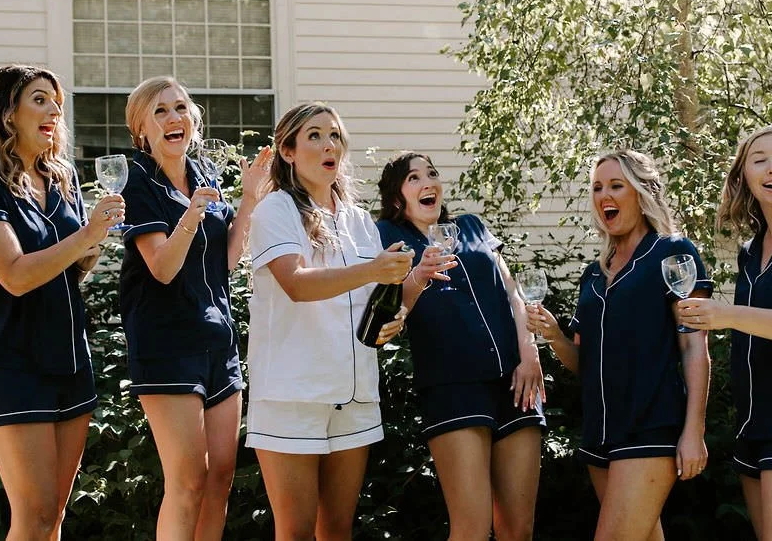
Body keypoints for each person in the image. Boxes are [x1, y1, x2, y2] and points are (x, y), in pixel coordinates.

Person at [0, 65, 124, 541]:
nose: (53, 112)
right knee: (34, 515)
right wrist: (87, 235)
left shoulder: (60, 176)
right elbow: (14, 275)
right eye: (40, 100)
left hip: (70, 357)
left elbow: (72, 269)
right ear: (8, 112)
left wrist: (94, 243)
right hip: (10, 360)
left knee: (56, 517)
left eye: (56, 104)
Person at [245, 102, 414, 540]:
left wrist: (395, 317)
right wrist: (373, 270)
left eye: (335, 135)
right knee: (296, 532)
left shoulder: (360, 221)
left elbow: (376, 298)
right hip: (292, 398)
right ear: (287, 151)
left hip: (356, 395)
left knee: (337, 530)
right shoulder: (274, 210)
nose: (328, 145)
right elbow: (297, 285)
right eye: (315, 135)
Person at [528, 150, 711, 541]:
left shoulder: (672, 253)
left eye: (615, 185)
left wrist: (694, 429)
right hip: (599, 435)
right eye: (597, 187)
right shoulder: (592, 275)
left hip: (651, 427)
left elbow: (695, 346)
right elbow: (584, 363)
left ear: (642, 192)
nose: (603, 195)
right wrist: (555, 336)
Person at [120, 75, 272, 541]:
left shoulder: (203, 174)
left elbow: (225, 260)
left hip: (218, 342)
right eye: (161, 110)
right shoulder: (137, 180)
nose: (174, 118)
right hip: (167, 346)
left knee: (219, 478)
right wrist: (189, 214)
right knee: (187, 480)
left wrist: (247, 198)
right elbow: (163, 269)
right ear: (142, 128)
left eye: (181, 108)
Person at [376, 151, 545, 541]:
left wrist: (529, 352)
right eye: (413, 178)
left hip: (515, 381)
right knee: (470, 530)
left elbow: (511, 291)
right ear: (397, 196)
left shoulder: (471, 227)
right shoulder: (387, 237)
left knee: (518, 530)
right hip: (452, 388)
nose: (427, 183)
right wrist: (417, 275)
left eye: (431, 174)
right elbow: (388, 309)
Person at [676, 124, 772, 539]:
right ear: (744, 176)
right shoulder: (751, 251)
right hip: (754, 426)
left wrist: (729, 314)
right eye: (759, 160)